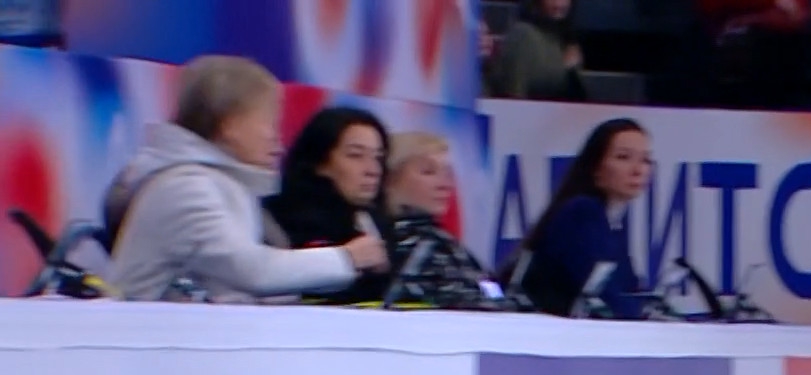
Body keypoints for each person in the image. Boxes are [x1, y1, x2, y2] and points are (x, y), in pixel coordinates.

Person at [104, 55, 386, 302]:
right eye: (269, 122)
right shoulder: (185, 188)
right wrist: (347, 258)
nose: (277, 137)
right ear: (230, 126)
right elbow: (250, 271)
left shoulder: (222, 186)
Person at [508, 118, 651, 318]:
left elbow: (630, 289)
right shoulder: (581, 212)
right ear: (595, 167)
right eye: (623, 157)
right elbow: (601, 292)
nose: (638, 170)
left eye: (645, 160)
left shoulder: (613, 223)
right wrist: (644, 315)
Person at [263, 106, 393, 305]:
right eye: (355, 155)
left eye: (378, 158)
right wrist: (348, 260)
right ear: (320, 162)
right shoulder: (276, 219)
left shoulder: (375, 221)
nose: (373, 170)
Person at [382, 131, 508, 310]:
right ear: (390, 180)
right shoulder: (414, 246)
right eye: (428, 172)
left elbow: (490, 293)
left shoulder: (438, 241)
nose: (444, 185)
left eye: (448, 174)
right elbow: (475, 305)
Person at [491, 0, 585, 101]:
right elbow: (513, 95)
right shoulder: (523, 35)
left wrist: (570, 71)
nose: (559, 2)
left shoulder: (566, 40)